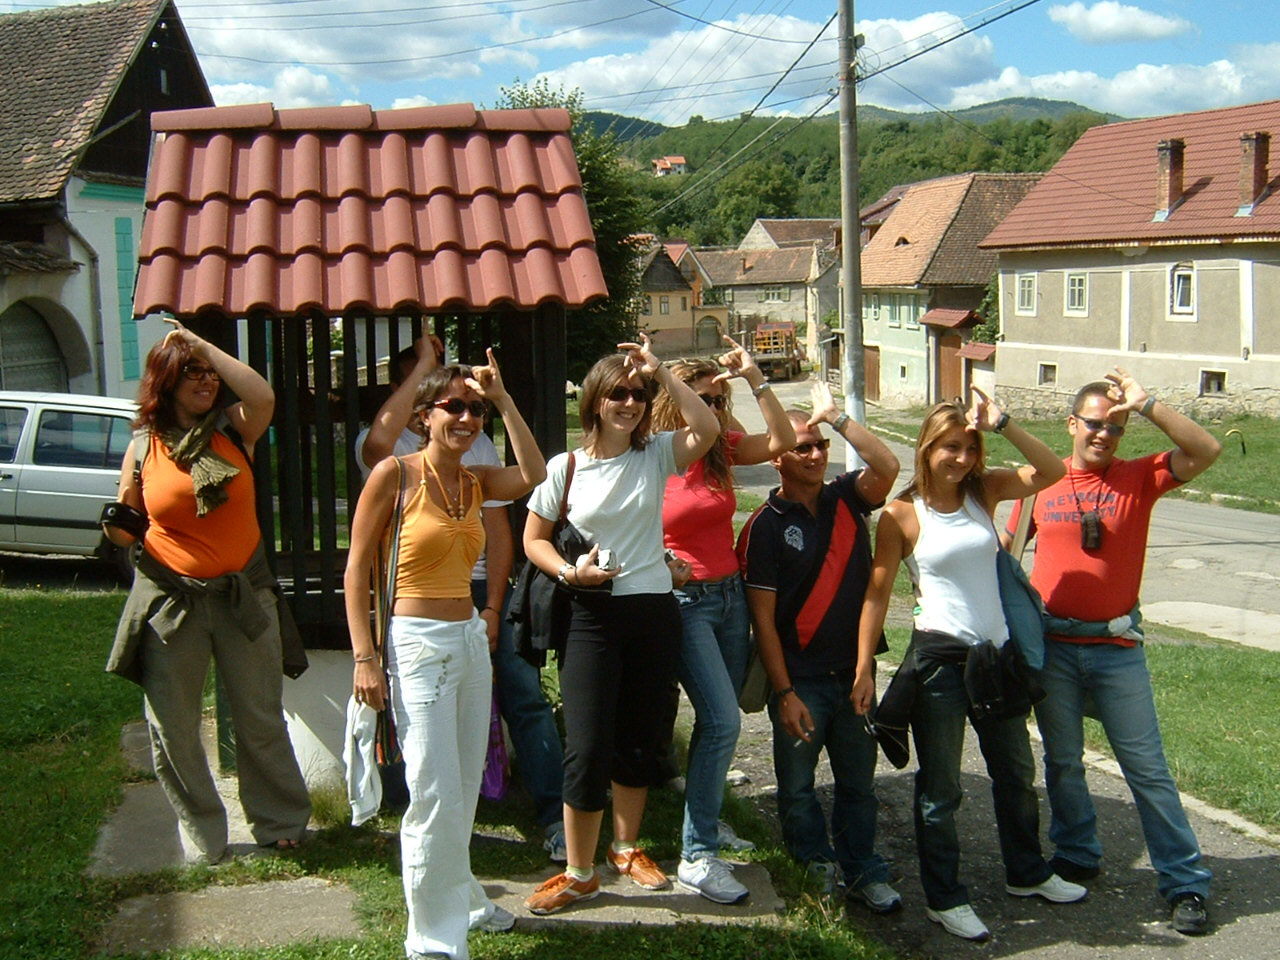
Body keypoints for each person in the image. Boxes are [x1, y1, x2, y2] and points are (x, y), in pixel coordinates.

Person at [856, 390, 1084, 942]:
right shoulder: (902, 514)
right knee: (941, 789)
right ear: (927, 448)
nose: (962, 458)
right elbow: (878, 592)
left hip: (997, 658)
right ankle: (945, 897)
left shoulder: (985, 490)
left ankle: (1027, 872)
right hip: (939, 664)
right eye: (951, 447)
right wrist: (864, 666)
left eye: (970, 447)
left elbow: (1053, 470)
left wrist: (1003, 423)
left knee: (1016, 773)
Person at [344, 351, 545, 960]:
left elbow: (533, 472)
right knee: (432, 790)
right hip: (415, 643)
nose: (466, 417)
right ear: (424, 415)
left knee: (461, 784)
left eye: (475, 410)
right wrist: (364, 657)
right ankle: (432, 942)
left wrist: (503, 399)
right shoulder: (394, 475)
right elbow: (356, 569)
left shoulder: (476, 481)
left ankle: (463, 898)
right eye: (453, 406)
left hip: (468, 641)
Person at [1005, 370, 1220, 936]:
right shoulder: (1043, 481)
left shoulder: (1139, 477)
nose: (1104, 435)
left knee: (1147, 769)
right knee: (1063, 762)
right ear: (1072, 424)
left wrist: (1147, 404)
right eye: (1095, 424)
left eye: (1116, 428)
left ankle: (1185, 880)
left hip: (1117, 649)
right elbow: (1006, 552)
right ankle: (1077, 853)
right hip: (1053, 648)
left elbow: (1206, 450)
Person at [521, 334, 720, 915]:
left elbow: (706, 428)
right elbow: (534, 540)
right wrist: (570, 573)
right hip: (592, 615)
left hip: (653, 611)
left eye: (638, 394)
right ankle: (579, 872)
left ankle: (626, 849)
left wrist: (662, 372)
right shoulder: (566, 467)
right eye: (618, 394)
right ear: (594, 401)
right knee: (586, 745)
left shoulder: (655, 453)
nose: (630, 403)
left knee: (640, 736)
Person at [103, 320, 311, 864]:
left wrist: (200, 346)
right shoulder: (142, 447)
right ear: (166, 382)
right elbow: (126, 527)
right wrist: (119, 519)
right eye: (192, 372)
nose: (206, 380)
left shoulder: (235, 430)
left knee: (259, 715)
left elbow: (262, 394)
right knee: (173, 725)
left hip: (244, 598)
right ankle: (201, 830)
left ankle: (279, 820)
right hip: (172, 602)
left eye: (209, 373)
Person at [737, 382, 902, 912]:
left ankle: (863, 868)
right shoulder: (763, 528)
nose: (814, 455)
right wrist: (784, 693)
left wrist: (835, 419)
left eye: (820, 446)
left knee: (858, 786)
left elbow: (889, 466)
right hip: (800, 682)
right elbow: (763, 622)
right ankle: (814, 869)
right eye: (802, 447)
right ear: (777, 457)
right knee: (797, 789)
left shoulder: (847, 497)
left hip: (853, 676)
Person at [649, 340, 796, 904]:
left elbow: (781, 441)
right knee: (721, 721)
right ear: (674, 401)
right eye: (703, 399)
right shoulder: (654, 454)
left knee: (722, 717)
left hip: (730, 596)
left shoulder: (718, 450)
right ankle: (698, 854)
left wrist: (756, 378)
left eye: (718, 399)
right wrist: (661, 561)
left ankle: (704, 816)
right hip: (685, 603)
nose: (713, 408)